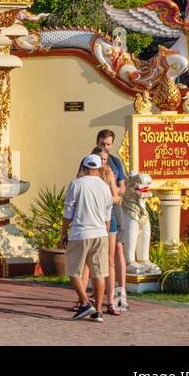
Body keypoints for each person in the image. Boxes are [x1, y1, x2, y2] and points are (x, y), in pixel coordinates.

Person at [61, 154, 115, 321]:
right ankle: (97, 311)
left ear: (84, 168)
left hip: (80, 233)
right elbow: (108, 214)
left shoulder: (76, 184)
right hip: (100, 233)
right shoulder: (105, 187)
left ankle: (85, 302)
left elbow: (68, 211)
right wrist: (104, 232)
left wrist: (63, 231)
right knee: (99, 274)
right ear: (99, 169)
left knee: (73, 271)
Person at [97, 129, 130, 310]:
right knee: (98, 253)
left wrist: (114, 189)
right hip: (97, 212)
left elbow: (122, 187)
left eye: (108, 144)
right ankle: (96, 292)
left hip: (115, 209)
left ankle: (120, 293)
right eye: (103, 143)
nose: (106, 147)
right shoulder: (91, 160)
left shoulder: (115, 162)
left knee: (118, 250)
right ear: (97, 142)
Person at [91, 144, 124, 315]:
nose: (103, 163)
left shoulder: (109, 173)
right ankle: (84, 300)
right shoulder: (87, 174)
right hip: (91, 220)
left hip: (108, 218)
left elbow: (117, 197)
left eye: (105, 159)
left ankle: (112, 301)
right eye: (100, 160)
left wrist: (105, 197)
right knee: (90, 262)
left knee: (110, 260)